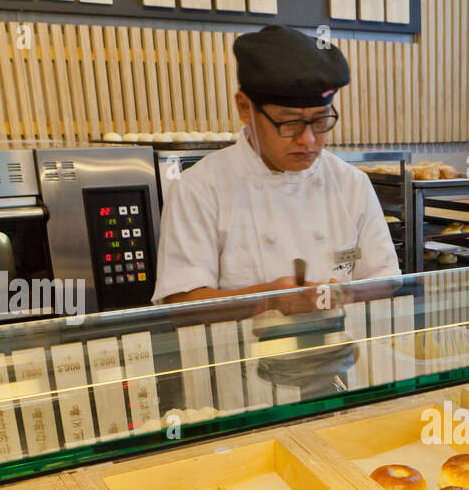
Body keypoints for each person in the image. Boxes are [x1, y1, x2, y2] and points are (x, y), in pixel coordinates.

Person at [152, 25, 401, 307]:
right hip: (244, 351)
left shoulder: (350, 183)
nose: (308, 140)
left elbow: (386, 277)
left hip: (339, 348)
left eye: (320, 121)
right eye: (290, 123)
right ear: (245, 108)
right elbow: (182, 305)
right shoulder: (198, 188)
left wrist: (347, 293)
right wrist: (268, 300)